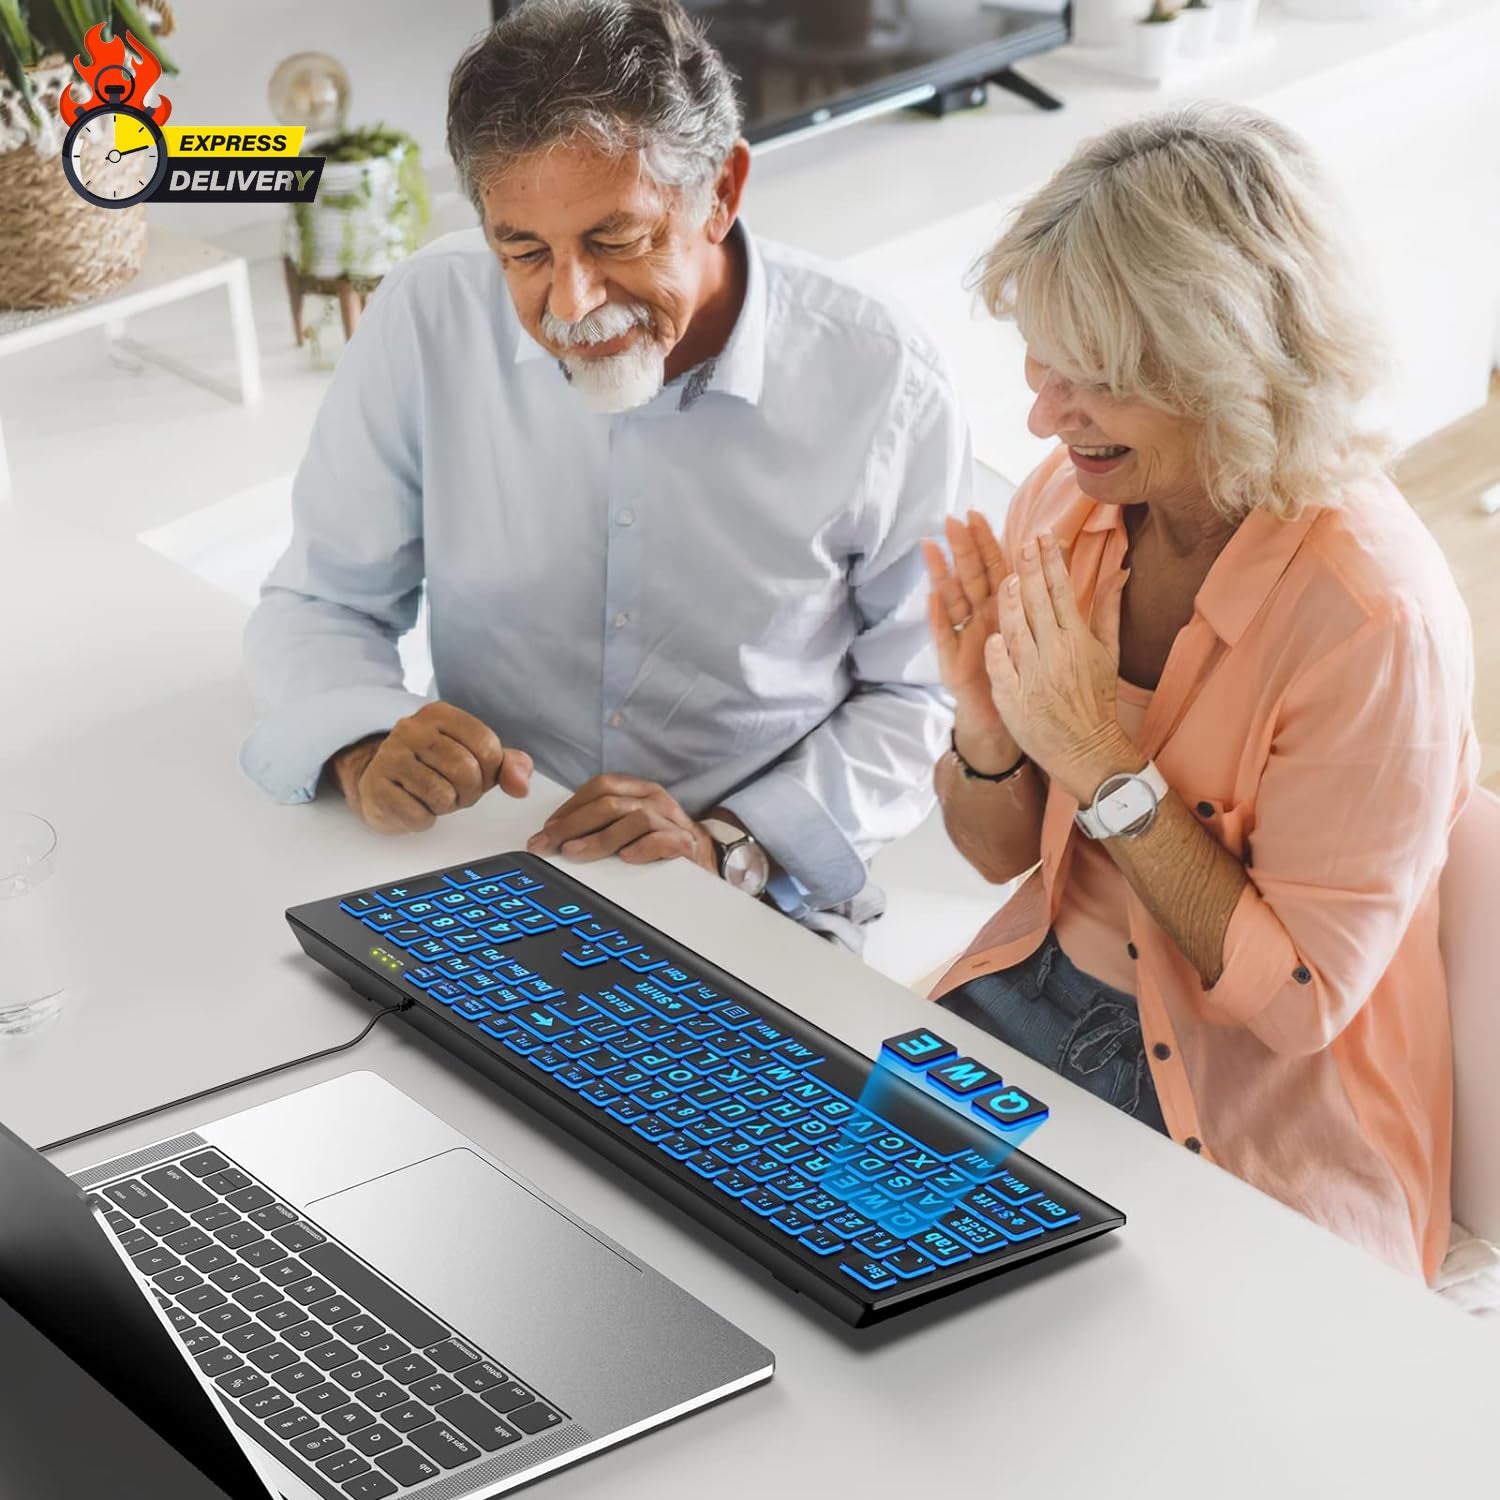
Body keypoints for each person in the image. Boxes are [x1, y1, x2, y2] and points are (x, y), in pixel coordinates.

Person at [241, 0, 970, 949]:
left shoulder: (881, 375)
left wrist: (730, 845)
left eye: (615, 240)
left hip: (756, 897)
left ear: (722, 191)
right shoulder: (429, 311)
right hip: (483, 865)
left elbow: (923, 695)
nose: (571, 301)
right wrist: (364, 743)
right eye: (523, 250)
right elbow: (321, 601)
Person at [923, 104, 1476, 1279]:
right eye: (1043, 365)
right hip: (1033, 994)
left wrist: (1099, 761)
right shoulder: (1068, 503)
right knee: (794, 1247)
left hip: (1260, 1113)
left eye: (1098, 381)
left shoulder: (1375, 621)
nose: (1043, 417)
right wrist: (987, 726)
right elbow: (995, 854)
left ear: (1236, 371)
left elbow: (1298, 1008)